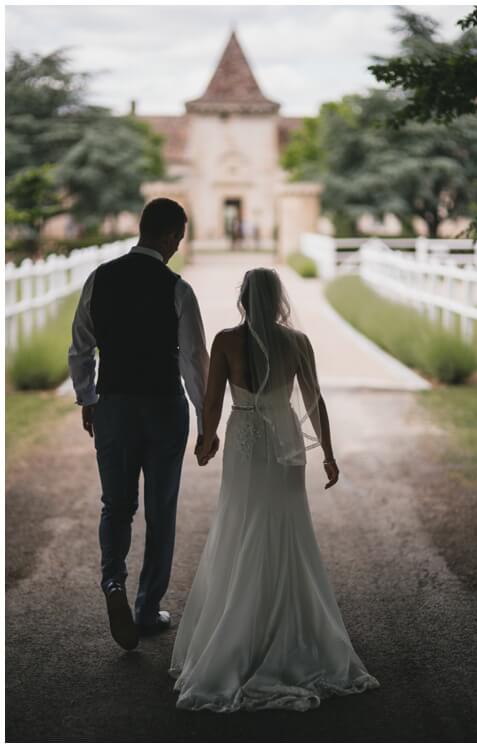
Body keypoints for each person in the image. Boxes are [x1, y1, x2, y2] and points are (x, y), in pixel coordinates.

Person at [169, 268, 379, 711]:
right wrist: (327, 453)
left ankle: (239, 632)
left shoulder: (226, 341)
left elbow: (211, 400)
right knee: (286, 530)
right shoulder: (297, 343)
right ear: (278, 299)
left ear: (243, 299)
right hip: (285, 440)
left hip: (245, 436)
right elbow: (313, 399)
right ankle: (287, 631)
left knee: (241, 524)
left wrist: (205, 439)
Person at [68, 197, 213, 651]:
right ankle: (147, 608)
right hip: (165, 407)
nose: (177, 247)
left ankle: (114, 584)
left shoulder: (99, 278)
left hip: (113, 405)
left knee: (116, 504)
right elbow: (192, 360)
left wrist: (88, 397)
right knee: (160, 510)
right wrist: (207, 421)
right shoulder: (177, 288)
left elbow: (80, 347)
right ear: (170, 235)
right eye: (179, 238)